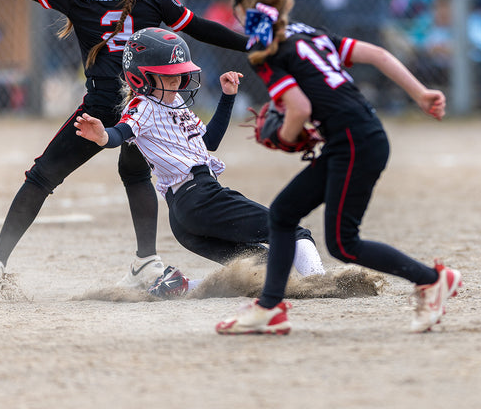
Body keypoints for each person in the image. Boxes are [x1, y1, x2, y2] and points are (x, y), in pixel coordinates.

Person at [0, 0, 249, 296]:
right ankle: (147, 261)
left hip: (102, 106)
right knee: (135, 174)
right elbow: (202, 27)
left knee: (41, 178)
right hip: (146, 105)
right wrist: (253, 44)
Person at [214, 0, 462, 335]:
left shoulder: (266, 48)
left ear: (242, 6)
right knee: (283, 213)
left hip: (354, 142)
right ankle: (269, 307)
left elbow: (299, 108)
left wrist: (284, 137)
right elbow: (378, 54)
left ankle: (433, 280)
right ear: (287, 1)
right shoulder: (307, 34)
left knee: (344, 244)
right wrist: (421, 93)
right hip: (357, 136)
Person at [73, 28, 325, 297]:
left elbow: (209, 141)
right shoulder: (142, 106)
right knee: (292, 231)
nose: (177, 80)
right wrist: (102, 137)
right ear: (140, 77)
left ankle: (177, 288)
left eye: (179, 73)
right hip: (201, 197)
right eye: (167, 75)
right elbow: (120, 133)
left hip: (185, 215)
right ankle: (323, 283)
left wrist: (227, 97)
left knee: (256, 264)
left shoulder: (175, 101)